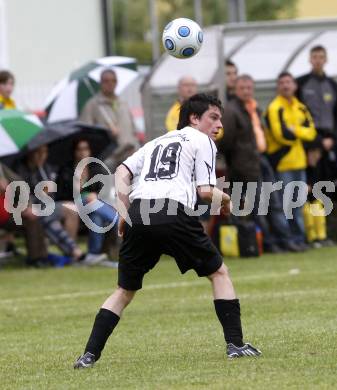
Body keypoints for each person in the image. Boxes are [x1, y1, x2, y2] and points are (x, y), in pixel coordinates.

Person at [73, 93, 261, 369]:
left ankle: (88, 356)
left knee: (124, 290)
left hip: (139, 213)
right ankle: (235, 345)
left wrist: (123, 212)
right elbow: (205, 191)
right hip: (172, 211)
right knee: (219, 273)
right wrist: (229, 201)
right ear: (194, 119)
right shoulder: (203, 140)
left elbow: (122, 173)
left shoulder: (154, 142)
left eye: (220, 118)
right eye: (214, 117)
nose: (219, 124)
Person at [265, 72, 317, 250]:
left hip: (299, 163)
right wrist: (298, 131)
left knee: (299, 204)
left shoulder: (301, 107)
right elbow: (282, 135)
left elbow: (311, 133)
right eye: (282, 83)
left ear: (294, 85)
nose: (286, 85)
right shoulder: (274, 107)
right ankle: (289, 240)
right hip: (283, 164)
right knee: (286, 204)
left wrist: (295, 130)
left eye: (289, 82)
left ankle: (299, 238)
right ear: (278, 86)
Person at [15, 145, 84, 262]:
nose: (42, 156)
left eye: (45, 152)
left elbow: (52, 197)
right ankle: (73, 251)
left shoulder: (46, 169)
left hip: (45, 207)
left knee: (71, 208)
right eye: (39, 152)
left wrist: (48, 192)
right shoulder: (20, 170)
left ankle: (70, 253)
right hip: (27, 209)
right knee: (46, 217)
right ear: (30, 153)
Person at [57, 137, 119, 264]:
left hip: (94, 207)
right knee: (89, 200)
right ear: (74, 152)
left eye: (85, 149)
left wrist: (96, 196)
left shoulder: (95, 168)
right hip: (71, 205)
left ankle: (93, 253)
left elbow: (105, 192)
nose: (82, 152)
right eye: (79, 149)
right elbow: (61, 194)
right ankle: (120, 222)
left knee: (96, 216)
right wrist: (77, 188)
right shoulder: (66, 170)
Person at [80, 69, 139, 168]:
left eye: (113, 80)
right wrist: (106, 132)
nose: (110, 83)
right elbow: (86, 134)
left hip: (130, 155)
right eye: (106, 81)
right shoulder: (93, 105)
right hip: (109, 158)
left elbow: (133, 129)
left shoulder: (123, 103)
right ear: (101, 83)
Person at [296, 45, 337, 184]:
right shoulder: (301, 83)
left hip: (330, 138)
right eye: (315, 57)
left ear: (326, 60)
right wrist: (314, 141)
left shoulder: (332, 84)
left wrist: (332, 138)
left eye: (321, 57)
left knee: (331, 179)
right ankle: (314, 205)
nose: (318, 60)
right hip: (310, 140)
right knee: (313, 180)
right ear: (310, 60)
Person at [0, 162, 49, 267]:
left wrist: (27, 206)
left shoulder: (1, 168)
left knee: (31, 217)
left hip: (6, 212)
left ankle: (38, 258)